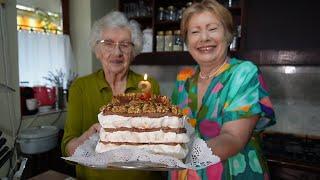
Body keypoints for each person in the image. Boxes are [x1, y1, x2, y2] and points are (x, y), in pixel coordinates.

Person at [170, 0, 276, 179]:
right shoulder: (184, 78)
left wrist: (178, 155)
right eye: (195, 32)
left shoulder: (243, 73)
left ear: (228, 35)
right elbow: (172, 130)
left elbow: (233, 138)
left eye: (212, 29)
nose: (204, 38)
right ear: (187, 40)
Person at [61, 11, 161, 180]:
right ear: (97, 50)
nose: (117, 52)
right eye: (108, 43)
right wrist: (86, 138)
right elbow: (67, 147)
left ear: (133, 51)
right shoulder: (81, 87)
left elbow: (159, 141)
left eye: (125, 44)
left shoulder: (148, 86)